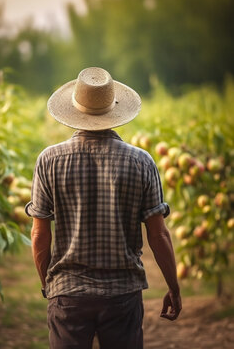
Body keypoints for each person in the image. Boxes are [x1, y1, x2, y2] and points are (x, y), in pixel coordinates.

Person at [25, 67, 182, 349]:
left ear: (74, 111)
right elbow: (158, 235)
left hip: (68, 293)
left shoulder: (48, 160)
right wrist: (174, 286)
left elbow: (39, 236)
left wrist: (49, 284)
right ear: (115, 112)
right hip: (122, 294)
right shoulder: (141, 161)